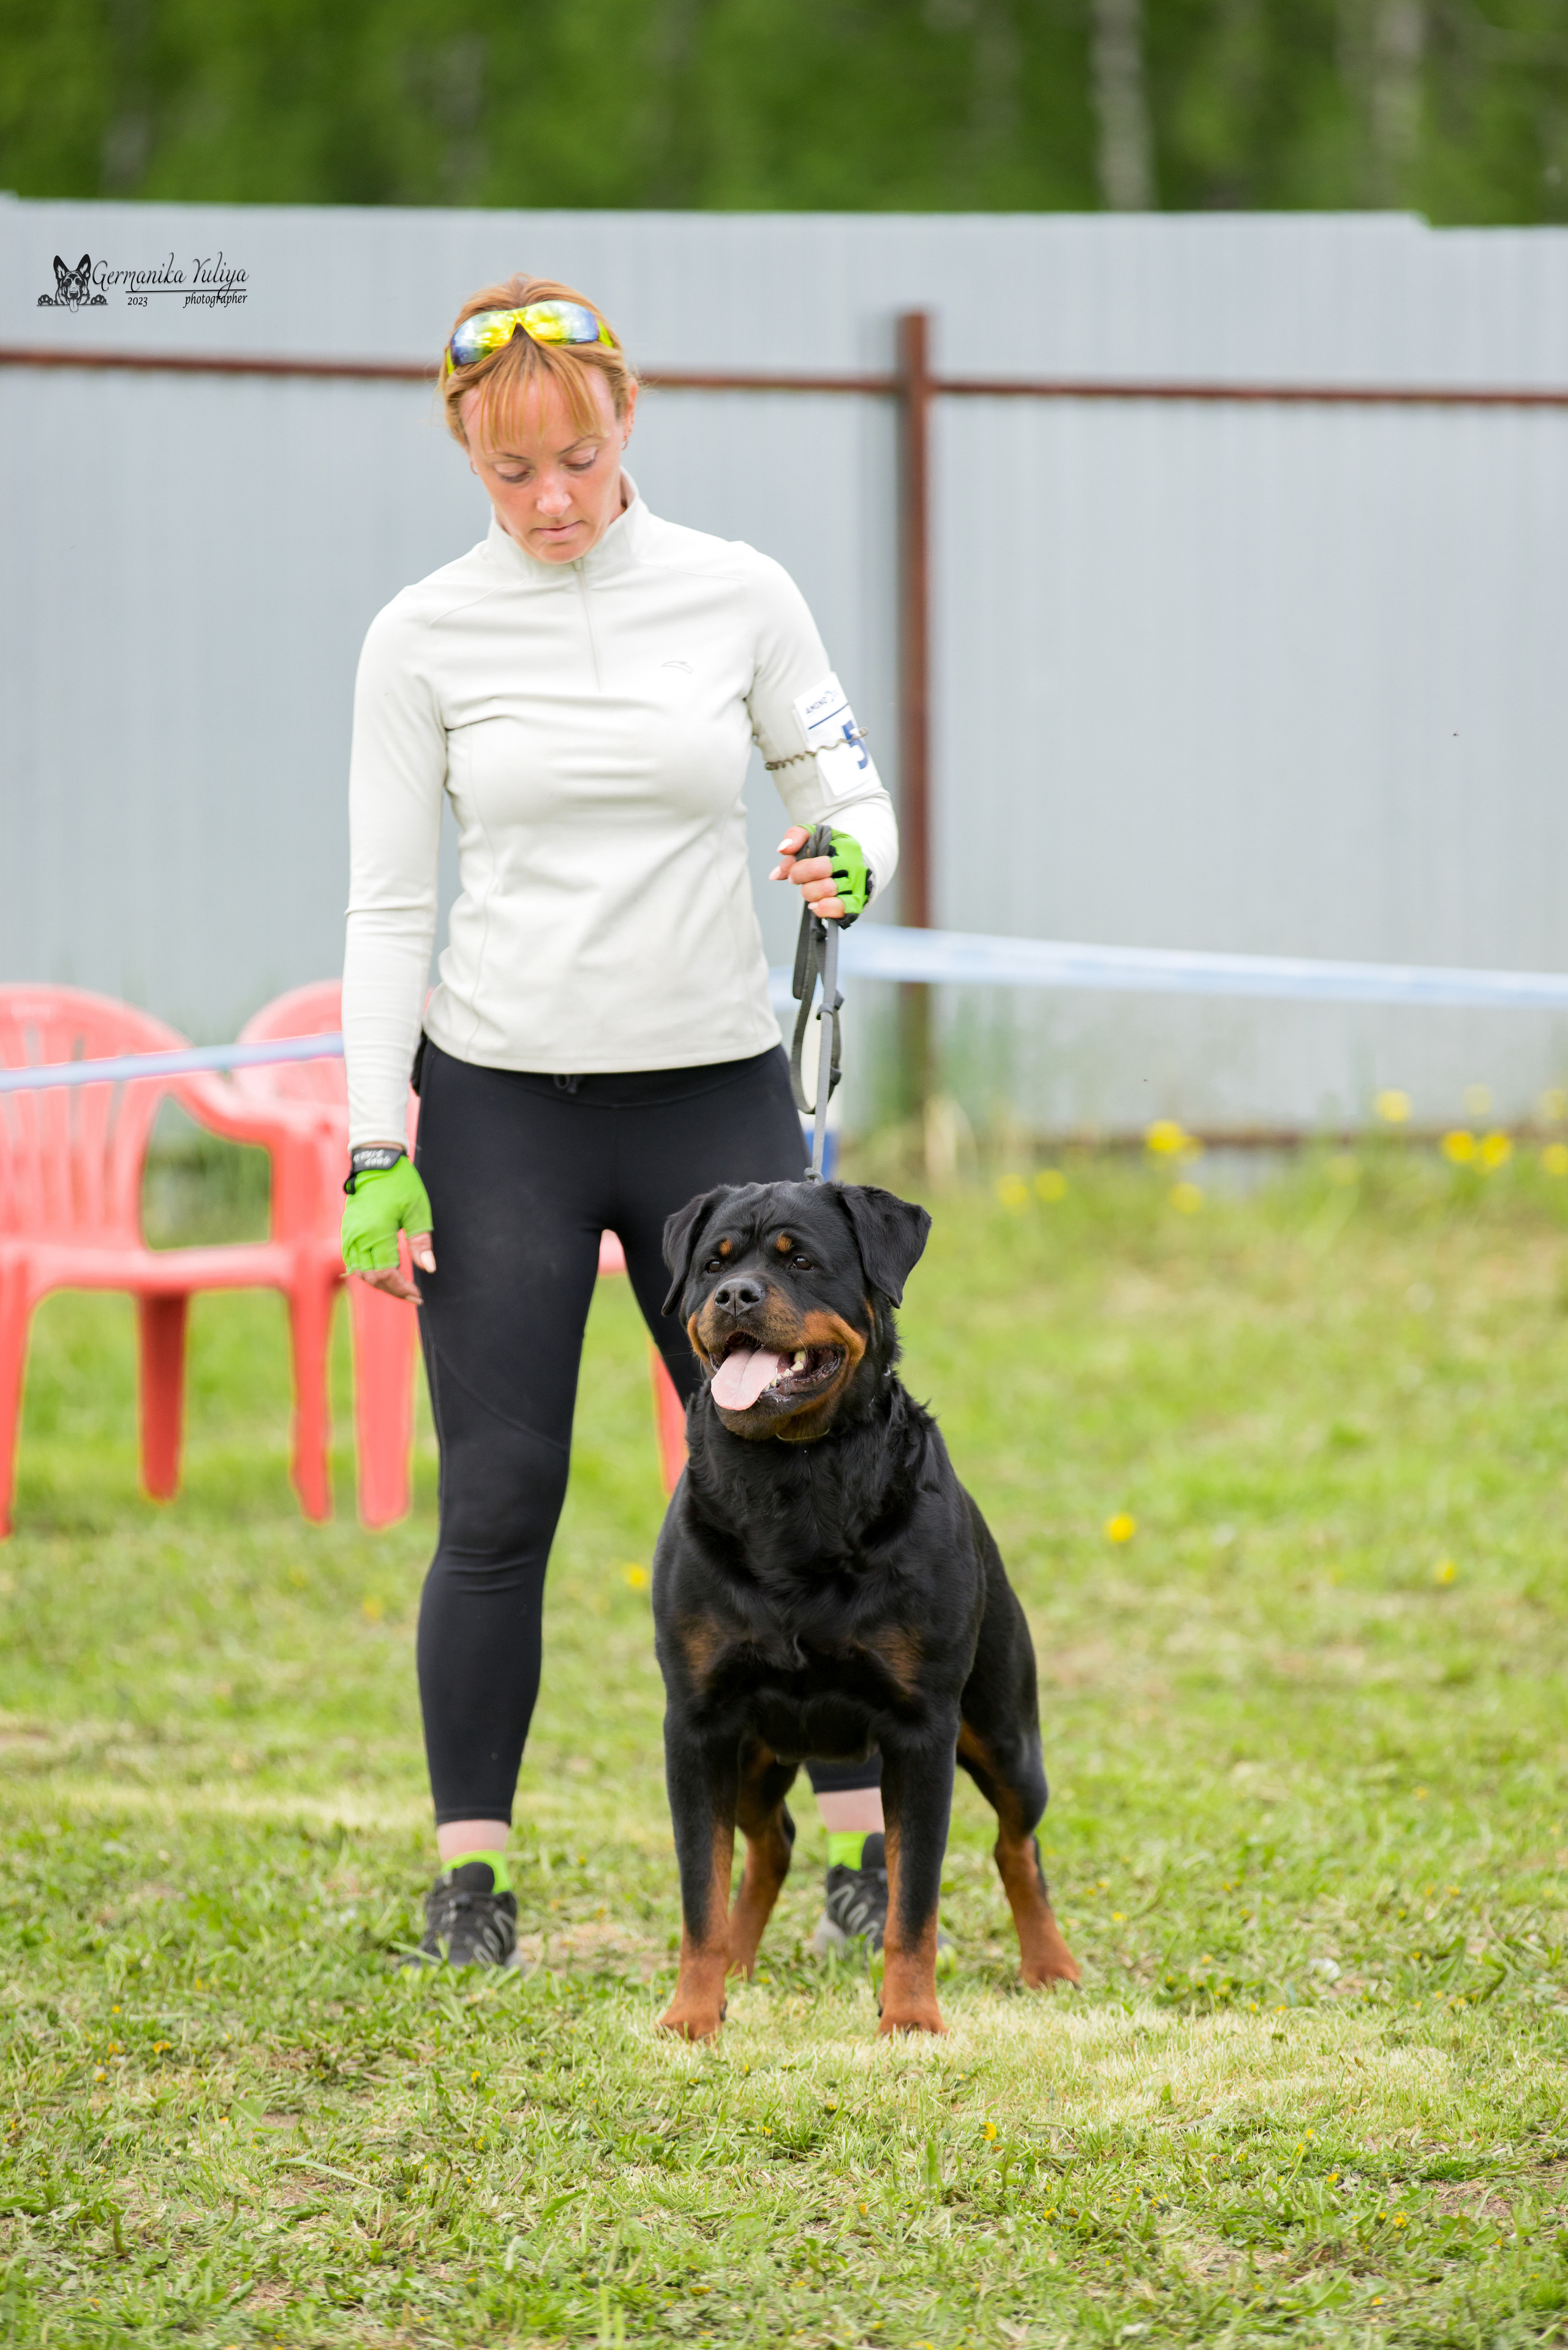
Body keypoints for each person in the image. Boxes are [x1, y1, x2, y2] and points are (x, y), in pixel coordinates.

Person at [339, 275, 900, 1967]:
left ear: (624, 423)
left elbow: (841, 789)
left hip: (714, 1107)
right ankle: (471, 1881)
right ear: (467, 457)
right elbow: (384, 910)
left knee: (797, 1484)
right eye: (513, 475)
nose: (554, 502)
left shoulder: (740, 594)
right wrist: (378, 1145)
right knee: (500, 1497)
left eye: (576, 458)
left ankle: (865, 1850)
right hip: (502, 1104)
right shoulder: (420, 636)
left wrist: (851, 858)